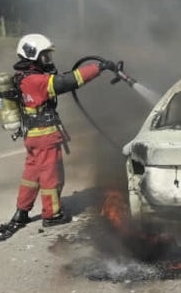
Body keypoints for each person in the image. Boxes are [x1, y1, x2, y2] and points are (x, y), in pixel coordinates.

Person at [7, 33, 116, 229]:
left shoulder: (22, 77)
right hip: (45, 136)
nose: (47, 60)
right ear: (33, 55)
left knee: (32, 175)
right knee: (51, 176)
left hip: (33, 136)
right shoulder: (36, 81)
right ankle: (52, 214)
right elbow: (68, 82)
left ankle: (21, 212)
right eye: (44, 56)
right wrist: (98, 67)